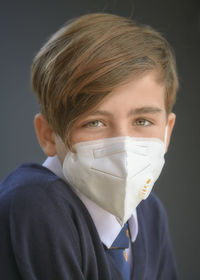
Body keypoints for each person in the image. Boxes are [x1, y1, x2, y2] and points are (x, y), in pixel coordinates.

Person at [0, 13, 178, 279]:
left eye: (142, 120)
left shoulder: (149, 213)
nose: (124, 146)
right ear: (49, 135)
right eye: (94, 123)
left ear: (167, 131)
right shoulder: (34, 204)